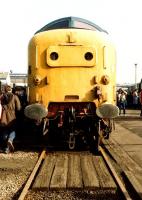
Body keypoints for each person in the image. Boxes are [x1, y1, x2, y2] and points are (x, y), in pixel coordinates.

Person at [0, 85, 21, 153]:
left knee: (5, 130)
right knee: (13, 130)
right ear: (10, 90)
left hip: (3, 117)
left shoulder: (2, 97)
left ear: (5, 90)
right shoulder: (15, 97)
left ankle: (6, 148)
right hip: (12, 116)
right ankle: (10, 140)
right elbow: (18, 108)